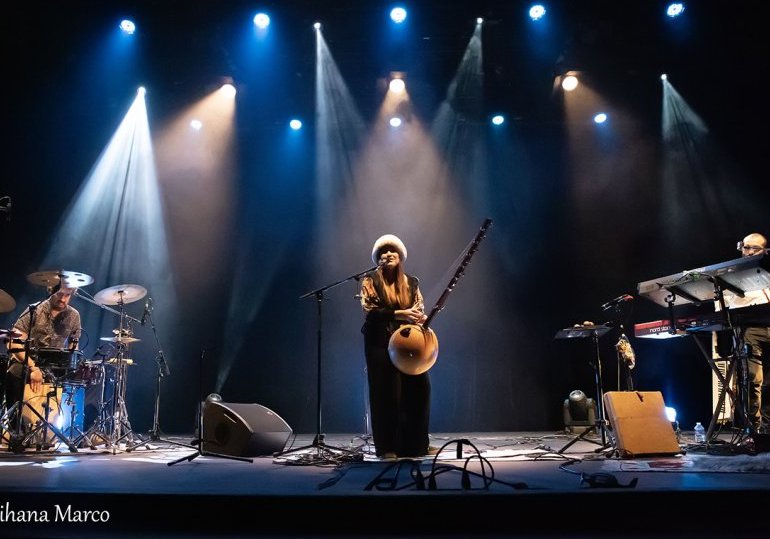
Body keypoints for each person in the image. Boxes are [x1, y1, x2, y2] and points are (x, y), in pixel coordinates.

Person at [359, 234, 436, 459]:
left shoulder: (412, 282)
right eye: (383, 251)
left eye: (392, 250)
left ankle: (417, 444)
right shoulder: (369, 279)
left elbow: (418, 307)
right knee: (386, 392)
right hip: (379, 341)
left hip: (407, 342)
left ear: (400, 256)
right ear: (377, 258)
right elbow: (370, 311)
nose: (388, 254)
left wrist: (419, 318)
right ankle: (387, 447)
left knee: (420, 389)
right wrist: (400, 313)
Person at [3, 284, 81, 431]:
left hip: (55, 363)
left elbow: (73, 346)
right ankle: (15, 428)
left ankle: (61, 429)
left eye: (67, 295)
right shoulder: (35, 310)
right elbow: (14, 343)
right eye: (60, 294)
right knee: (14, 371)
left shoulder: (74, 315)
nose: (63, 299)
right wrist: (33, 367)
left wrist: (73, 364)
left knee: (88, 378)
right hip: (29, 361)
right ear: (51, 291)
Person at [717, 232, 769, 434]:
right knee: (752, 380)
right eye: (744, 247)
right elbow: (720, 304)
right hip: (749, 329)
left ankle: (767, 429)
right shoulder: (733, 272)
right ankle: (752, 430)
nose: (746, 251)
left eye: (752, 248)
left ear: (764, 251)